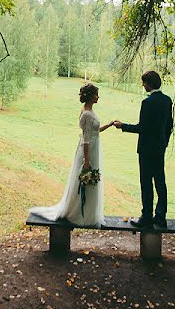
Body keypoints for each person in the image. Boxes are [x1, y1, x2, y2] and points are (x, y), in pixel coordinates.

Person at [29, 83, 115, 227]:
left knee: (89, 182)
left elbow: (94, 131)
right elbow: (86, 140)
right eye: (96, 94)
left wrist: (110, 124)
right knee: (85, 180)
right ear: (90, 97)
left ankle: (88, 212)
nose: (98, 97)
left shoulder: (88, 111)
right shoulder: (87, 114)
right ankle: (80, 213)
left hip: (94, 148)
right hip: (89, 150)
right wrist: (86, 161)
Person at [114, 70, 173, 230]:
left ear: (148, 84)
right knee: (160, 182)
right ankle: (161, 217)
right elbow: (169, 127)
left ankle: (147, 217)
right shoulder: (167, 101)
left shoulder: (147, 103)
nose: (142, 85)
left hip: (146, 150)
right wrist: (164, 143)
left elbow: (142, 128)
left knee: (146, 183)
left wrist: (122, 126)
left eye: (143, 82)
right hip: (159, 149)